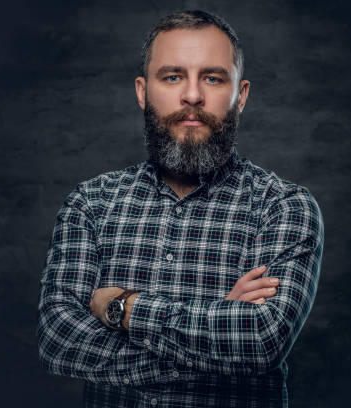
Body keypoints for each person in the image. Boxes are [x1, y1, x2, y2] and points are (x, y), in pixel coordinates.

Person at [37, 10, 324, 408]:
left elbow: (261, 340)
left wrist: (122, 306)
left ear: (240, 96)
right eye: (172, 77)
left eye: (212, 77)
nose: (192, 96)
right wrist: (218, 330)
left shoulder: (283, 206)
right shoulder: (91, 204)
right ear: (142, 91)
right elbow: (59, 340)